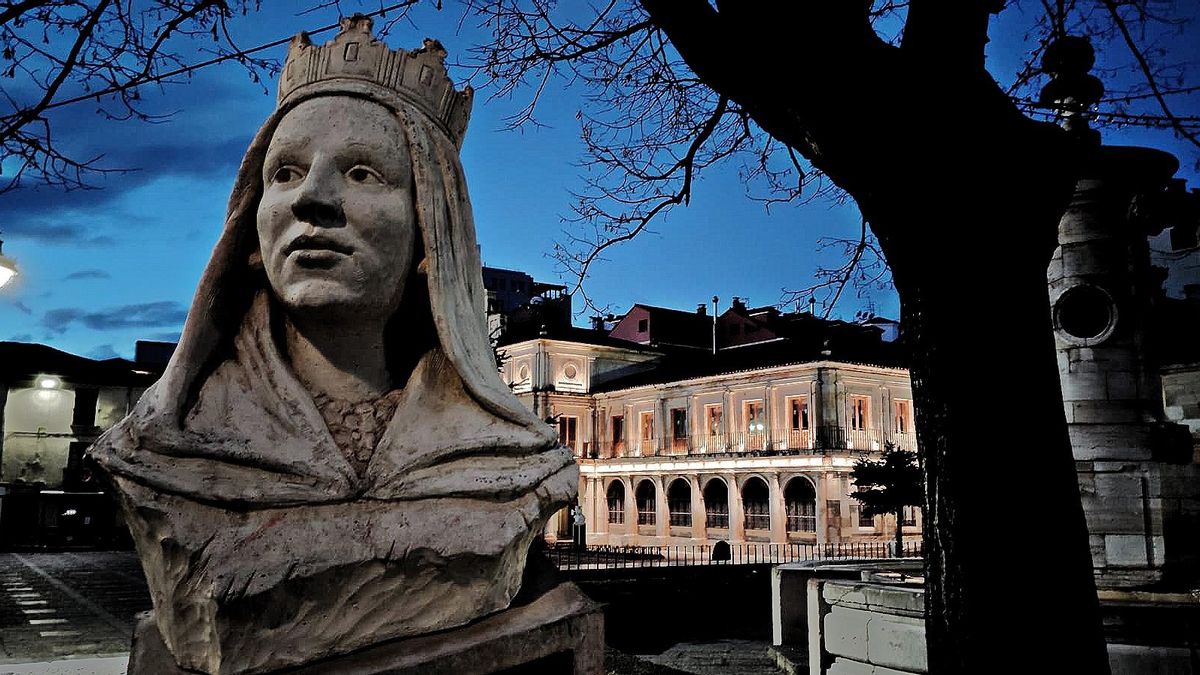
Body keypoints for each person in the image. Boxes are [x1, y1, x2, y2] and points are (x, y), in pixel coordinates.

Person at [90, 16, 576, 675]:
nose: (312, 199)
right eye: (286, 173)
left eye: (363, 173)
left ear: (431, 232)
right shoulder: (163, 449)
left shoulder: (513, 457)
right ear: (252, 230)